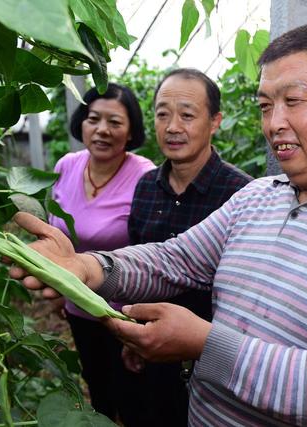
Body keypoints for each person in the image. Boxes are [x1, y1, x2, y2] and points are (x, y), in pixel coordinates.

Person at [11, 22, 307, 426]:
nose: (274, 123)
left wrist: (205, 344)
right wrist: (88, 269)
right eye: (263, 105)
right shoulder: (258, 196)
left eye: (293, 101)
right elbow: (172, 260)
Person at [121, 68, 252, 427]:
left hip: (213, 363)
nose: (173, 126)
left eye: (187, 115)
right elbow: (140, 266)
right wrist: (133, 334)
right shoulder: (146, 186)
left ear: (215, 122)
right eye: (163, 114)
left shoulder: (242, 195)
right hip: (151, 352)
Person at [48, 83, 154, 421]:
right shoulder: (66, 165)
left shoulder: (144, 176)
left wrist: (138, 323)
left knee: (132, 400)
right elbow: (55, 229)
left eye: (115, 122)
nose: (102, 130)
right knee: (97, 391)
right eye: (94, 119)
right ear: (82, 122)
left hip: (124, 316)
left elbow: (153, 251)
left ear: (131, 131)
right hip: (77, 308)